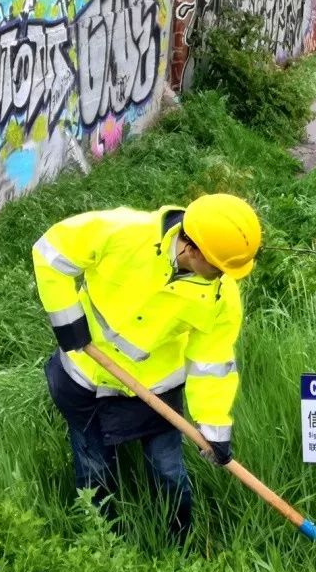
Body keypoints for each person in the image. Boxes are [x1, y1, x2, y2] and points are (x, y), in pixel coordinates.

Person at [31, 193, 261, 544]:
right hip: (88, 375)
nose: (224, 277)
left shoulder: (220, 297)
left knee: (168, 472)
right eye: (219, 267)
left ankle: (176, 545)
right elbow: (51, 251)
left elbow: (212, 362)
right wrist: (67, 321)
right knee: (95, 469)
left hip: (156, 389)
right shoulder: (123, 232)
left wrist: (214, 428)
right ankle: (102, 543)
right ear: (191, 249)